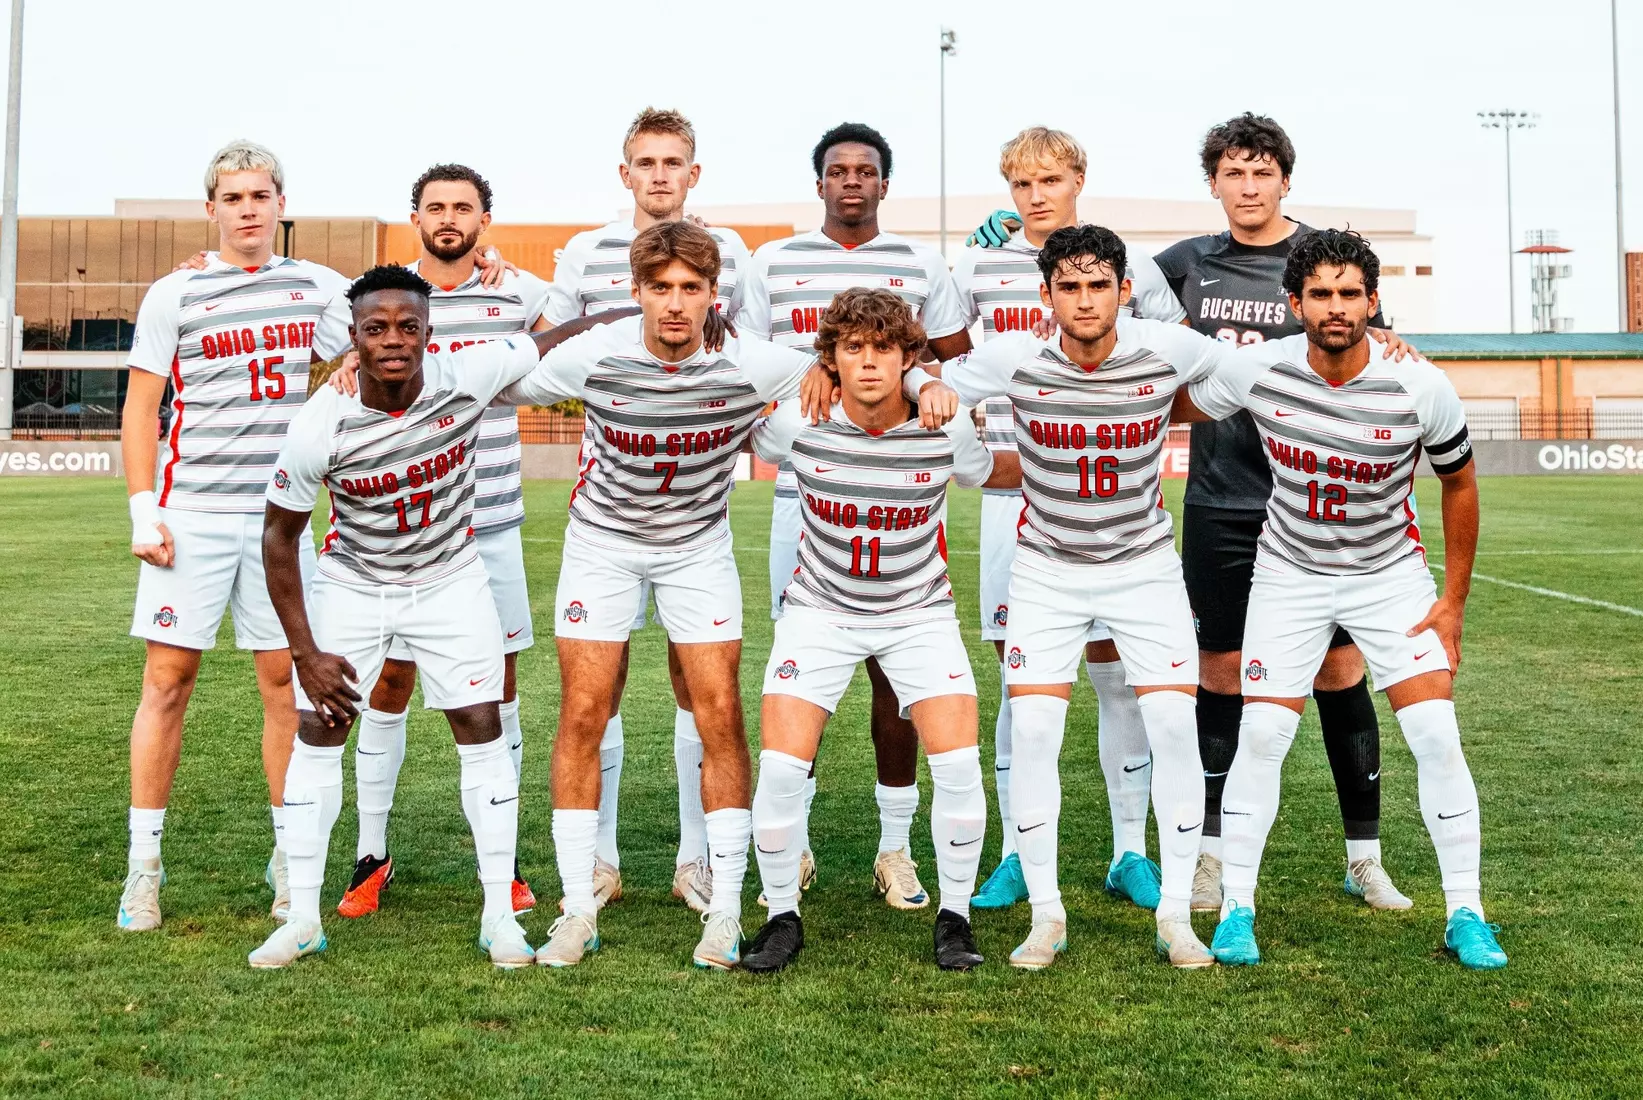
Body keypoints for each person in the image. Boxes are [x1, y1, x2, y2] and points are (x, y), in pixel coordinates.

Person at [496, 221, 944, 970]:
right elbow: (495, 375)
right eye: (660, 288)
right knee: (582, 709)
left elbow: (861, 358)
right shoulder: (593, 354)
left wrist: (925, 380)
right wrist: (361, 368)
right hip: (601, 547)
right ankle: (577, 907)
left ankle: (726, 906)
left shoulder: (754, 363)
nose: (675, 305)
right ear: (635, 292)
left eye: (691, 289)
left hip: (697, 551)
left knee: (720, 712)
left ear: (714, 295)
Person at [1171, 229, 1505, 970]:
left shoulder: (1419, 384)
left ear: (1372, 301)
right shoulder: (1258, 369)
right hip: (1288, 577)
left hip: (1390, 578)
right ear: (1293, 303)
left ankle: (1465, 913)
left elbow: (1458, 483)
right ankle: (1236, 910)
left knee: (1435, 736)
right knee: (1262, 738)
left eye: (1349, 293)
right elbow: (1171, 407)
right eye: (1319, 293)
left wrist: (1450, 603)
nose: (1334, 307)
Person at [938, 224, 1243, 971]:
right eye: (1067, 286)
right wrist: (969, 453)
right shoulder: (1015, 355)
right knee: (1035, 731)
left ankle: (1175, 915)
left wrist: (1177, 411)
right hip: (1047, 571)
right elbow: (931, 384)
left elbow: (1247, 373)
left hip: (1143, 569)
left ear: (1122, 290)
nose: (1083, 299)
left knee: (1170, 722)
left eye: (1097, 284)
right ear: (1045, 295)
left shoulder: (1165, 349)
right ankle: (1046, 914)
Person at [253, 264, 571, 969]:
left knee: (481, 726)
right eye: (375, 329)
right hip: (354, 584)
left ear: (429, 333)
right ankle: (302, 915)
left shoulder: (469, 374)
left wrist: (646, 323)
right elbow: (278, 536)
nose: (392, 340)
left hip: (450, 579)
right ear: (352, 339)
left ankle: (499, 916)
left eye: (407, 327)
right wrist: (304, 652)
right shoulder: (320, 422)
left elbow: (556, 341)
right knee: (319, 729)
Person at [1152, 114, 1412, 912]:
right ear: (1214, 183)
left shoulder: (1321, 259)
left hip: (1317, 507)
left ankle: (1362, 856)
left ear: (1284, 180)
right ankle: (1206, 854)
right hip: (1220, 501)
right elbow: (1098, 292)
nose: (1248, 186)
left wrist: (1397, 341)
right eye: (1233, 173)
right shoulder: (1182, 265)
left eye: (1262, 172)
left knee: (1339, 673)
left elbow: (1375, 340)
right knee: (1219, 674)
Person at [740, 289, 1014, 974]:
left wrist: (932, 384)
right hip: (819, 612)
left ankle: (954, 918)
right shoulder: (797, 423)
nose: (868, 362)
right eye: (851, 348)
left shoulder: (942, 427)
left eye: (883, 349)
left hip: (917, 613)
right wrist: (803, 378)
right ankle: (780, 917)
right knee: (778, 768)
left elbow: (987, 472)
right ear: (830, 358)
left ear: (905, 356)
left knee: (955, 764)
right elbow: (739, 391)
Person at [737, 121, 974, 912]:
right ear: (818, 183)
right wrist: (807, 367)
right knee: (802, 668)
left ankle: (894, 848)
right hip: (804, 490)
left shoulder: (919, 261)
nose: (849, 181)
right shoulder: (772, 262)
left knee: (895, 678)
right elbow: (746, 356)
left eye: (864, 171)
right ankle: (792, 840)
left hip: (896, 485)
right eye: (836, 170)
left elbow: (947, 355)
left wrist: (924, 386)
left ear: (883, 183)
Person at [117, 140, 352, 932]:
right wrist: (142, 507)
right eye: (234, 196)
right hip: (193, 517)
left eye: (262, 194)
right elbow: (140, 407)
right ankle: (142, 869)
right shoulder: (174, 293)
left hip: (280, 522)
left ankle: (291, 861)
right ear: (211, 208)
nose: (249, 208)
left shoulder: (320, 288)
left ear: (281, 204)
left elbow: (404, 313)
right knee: (167, 682)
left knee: (284, 686)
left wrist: (488, 268)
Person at [953, 126, 1186, 914]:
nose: (1036, 196)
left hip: (1112, 499)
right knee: (1022, 682)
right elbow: (950, 359)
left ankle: (1129, 850)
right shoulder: (978, 260)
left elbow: (1172, 354)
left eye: (1050, 179)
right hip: (1014, 492)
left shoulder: (1129, 266)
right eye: (1021, 185)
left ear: (1078, 177)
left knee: (1120, 673)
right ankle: (1018, 852)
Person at [544, 108, 751, 913]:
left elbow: (754, 350)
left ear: (692, 173)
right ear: (624, 172)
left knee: (698, 690)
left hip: (698, 508)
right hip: (610, 509)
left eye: (673, 162)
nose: (659, 174)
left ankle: (698, 860)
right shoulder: (583, 251)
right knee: (594, 690)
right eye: (645, 161)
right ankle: (594, 861)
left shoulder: (732, 251)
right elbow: (548, 335)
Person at [334, 163, 551, 921]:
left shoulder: (518, 293)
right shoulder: (381, 296)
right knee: (385, 686)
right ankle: (370, 853)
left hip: (490, 520)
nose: (449, 218)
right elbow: (330, 374)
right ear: (416, 216)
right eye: (436, 207)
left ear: (484, 217)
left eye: (463, 207)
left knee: (497, 691)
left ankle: (507, 858)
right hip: (397, 531)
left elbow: (567, 340)